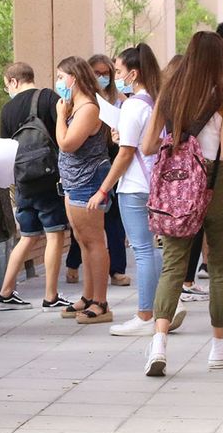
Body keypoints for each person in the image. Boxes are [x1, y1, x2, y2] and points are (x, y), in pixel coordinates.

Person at [141, 31, 223, 376]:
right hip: (215, 184)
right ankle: (220, 347)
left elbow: (147, 146)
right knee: (219, 266)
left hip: (177, 188)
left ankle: (158, 344)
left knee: (173, 265)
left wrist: (175, 143)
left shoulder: (169, 92)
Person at [90, 43, 187, 337]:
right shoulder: (155, 101)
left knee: (143, 251)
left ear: (133, 74)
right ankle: (165, 306)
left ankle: (146, 314)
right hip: (155, 183)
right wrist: (121, 138)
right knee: (152, 250)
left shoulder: (133, 105)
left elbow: (126, 154)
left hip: (134, 186)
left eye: (119, 71)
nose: (117, 77)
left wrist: (103, 189)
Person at [0, 63, 69, 310]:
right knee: (54, 234)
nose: (8, 89)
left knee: (27, 237)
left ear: (14, 81)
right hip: (48, 179)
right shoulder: (48, 98)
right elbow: (63, 133)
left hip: (23, 182)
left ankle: (5, 292)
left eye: (7, 85)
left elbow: (6, 149)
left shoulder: (7, 110)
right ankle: (51, 296)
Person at [55, 55, 116, 324]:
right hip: (73, 181)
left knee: (94, 241)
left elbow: (67, 143)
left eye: (61, 77)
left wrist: (60, 116)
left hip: (88, 180)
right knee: (82, 240)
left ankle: (100, 301)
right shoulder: (75, 106)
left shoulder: (89, 108)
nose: (58, 82)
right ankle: (88, 296)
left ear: (75, 78)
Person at [65, 53, 130, 286]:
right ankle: (74, 265)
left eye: (106, 73)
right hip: (84, 169)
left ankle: (116, 270)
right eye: (97, 73)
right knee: (83, 226)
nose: (102, 77)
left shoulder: (117, 99)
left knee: (112, 220)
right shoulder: (80, 101)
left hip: (111, 160)